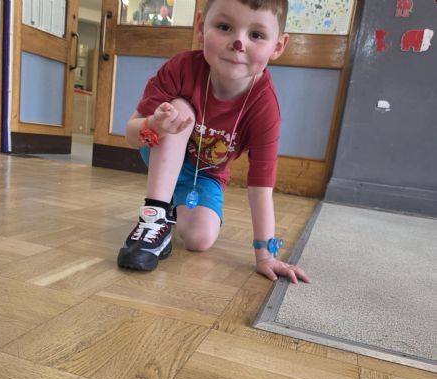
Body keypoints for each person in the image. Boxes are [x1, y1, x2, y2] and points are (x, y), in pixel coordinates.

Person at [117, 0, 310, 284]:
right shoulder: (181, 68)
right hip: (162, 151)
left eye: (256, 34)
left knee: (200, 238)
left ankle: (171, 210)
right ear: (200, 27)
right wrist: (155, 125)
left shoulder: (265, 106)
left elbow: (261, 185)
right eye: (224, 27)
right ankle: (154, 215)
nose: (238, 43)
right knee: (181, 110)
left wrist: (265, 255)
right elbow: (131, 136)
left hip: (206, 175)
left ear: (278, 46)